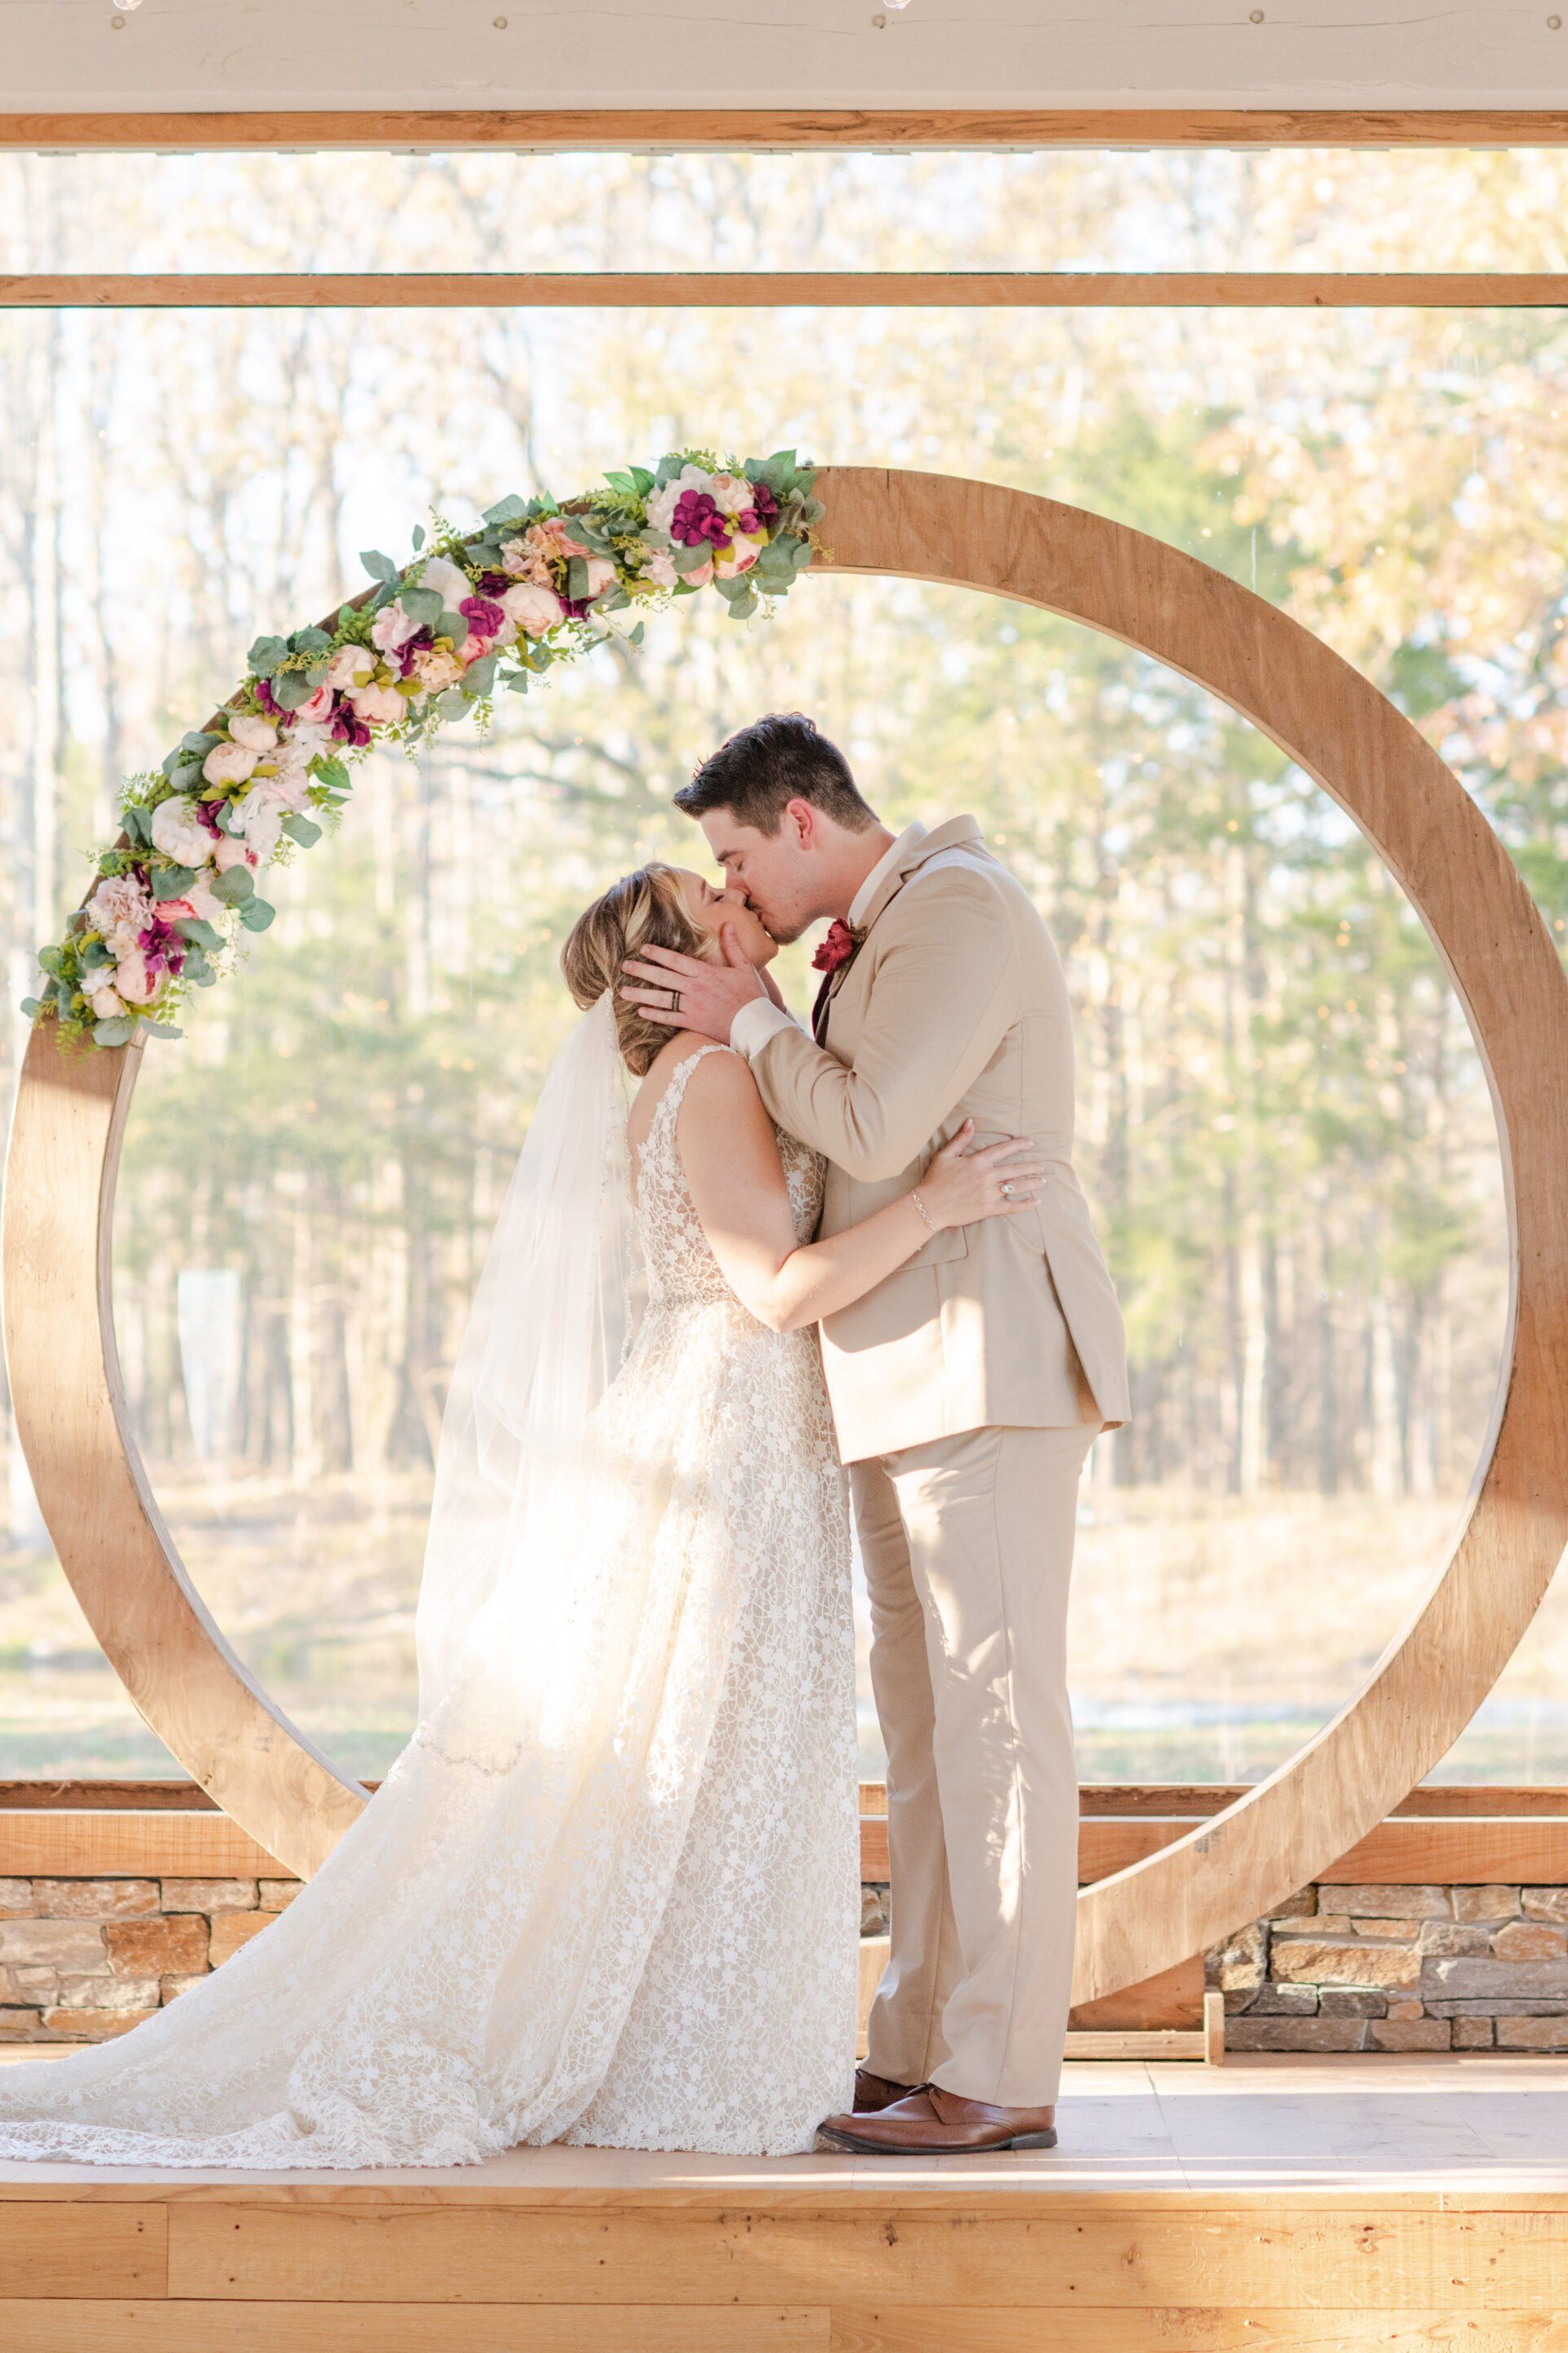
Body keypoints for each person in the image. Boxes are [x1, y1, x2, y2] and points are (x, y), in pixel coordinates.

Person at [0, 860, 1040, 2169]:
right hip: (728, 1440)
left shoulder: (692, 1082)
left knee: (715, 1755)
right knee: (699, 1749)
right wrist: (943, 1205)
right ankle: (661, 2048)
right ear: (678, 960)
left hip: (740, 1430)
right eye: (719, 905)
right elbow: (773, 1291)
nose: (750, 912)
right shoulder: (712, 1082)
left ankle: (688, 2029)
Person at [620, 713, 1130, 2158]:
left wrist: (753, 1025)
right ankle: (915, 2043)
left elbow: (876, 1120)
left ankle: (1002, 2073)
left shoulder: (957, 908)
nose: (735, 897)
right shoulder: (874, 934)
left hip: (987, 1361)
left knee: (1000, 1725)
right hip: (896, 1371)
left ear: (798, 821)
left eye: (735, 858)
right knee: (926, 1735)